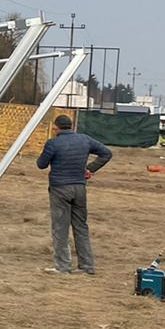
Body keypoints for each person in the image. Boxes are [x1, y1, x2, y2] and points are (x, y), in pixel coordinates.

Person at [35, 114, 112, 275]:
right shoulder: (84, 140)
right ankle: (86, 266)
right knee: (81, 226)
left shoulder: (53, 143)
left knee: (60, 227)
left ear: (56, 128)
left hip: (60, 189)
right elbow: (106, 153)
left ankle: (62, 266)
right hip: (79, 188)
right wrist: (90, 169)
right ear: (72, 126)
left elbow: (41, 165)